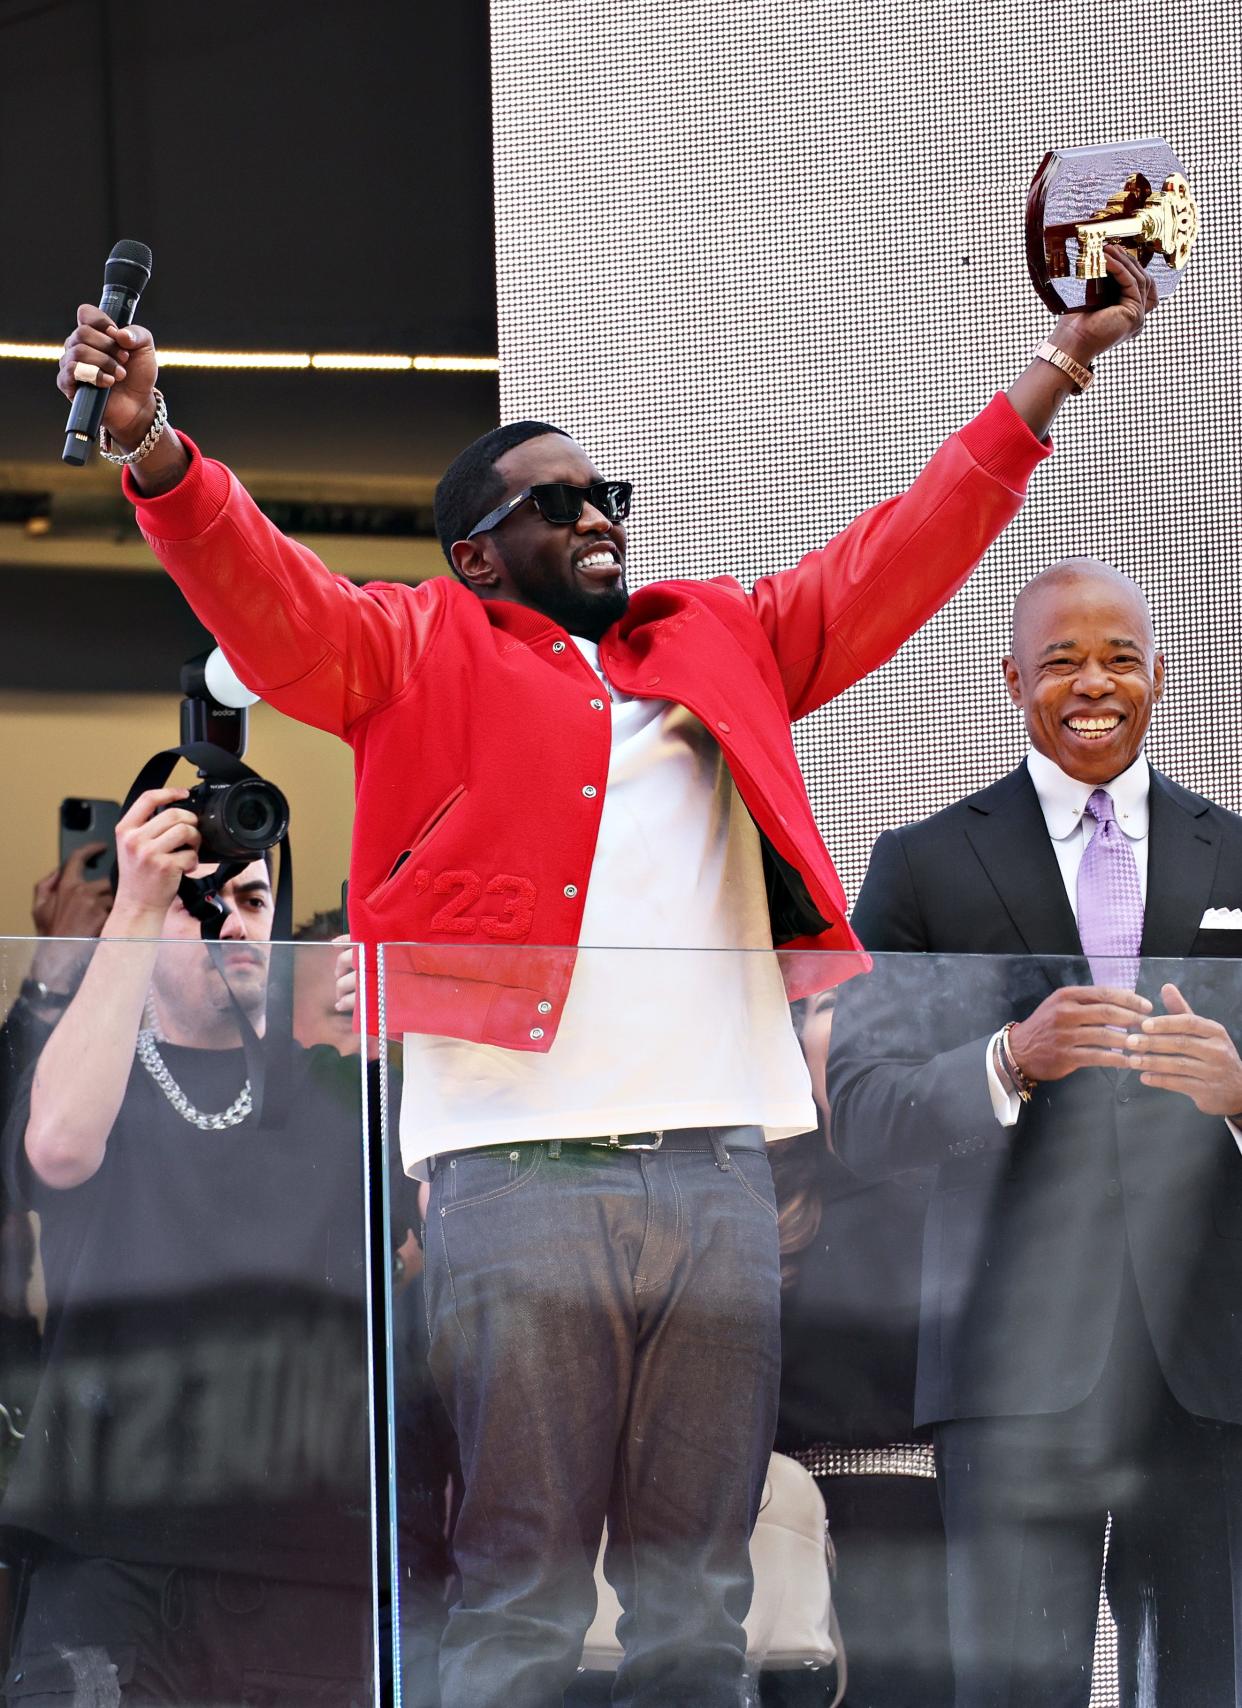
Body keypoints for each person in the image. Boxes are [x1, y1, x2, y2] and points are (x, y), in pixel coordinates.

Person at [55, 251, 1154, 1708]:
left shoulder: (717, 639)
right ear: (474, 554)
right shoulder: (412, 646)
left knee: (698, 1600)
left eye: (608, 497)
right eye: (555, 503)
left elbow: (899, 550)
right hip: (518, 1177)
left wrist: (1056, 369)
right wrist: (152, 446)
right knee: (518, 1589)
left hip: (713, 1179)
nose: (596, 518)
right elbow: (268, 596)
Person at [828, 559, 1242, 1708]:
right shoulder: (921, 863)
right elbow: (860, 1106)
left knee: (1210, 1683)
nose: (1093, 682)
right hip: (1012, 1370)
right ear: (1013, 678)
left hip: (1206, 1368)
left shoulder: (1240, 854)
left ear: (1163, 673)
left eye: (1119, 656)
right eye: (1062, 658)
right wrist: (1009, 1058)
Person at [1, 789, 375, 1705]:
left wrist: (405, 1036)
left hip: (306, 1564)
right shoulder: (93, 1071)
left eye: (252, 901)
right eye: (195, 899)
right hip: (104, 1553)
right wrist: (133, 901)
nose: (232, 922)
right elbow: (53, 1148)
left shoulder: (333, 1087)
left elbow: (440, 1237)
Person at [766, 989, 953, 1708]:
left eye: (868, 1002)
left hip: (932, 1541)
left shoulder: (955, 1187)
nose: (847, 1025)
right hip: (789, 1541)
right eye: (825, 1005)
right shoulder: (756, 1192)